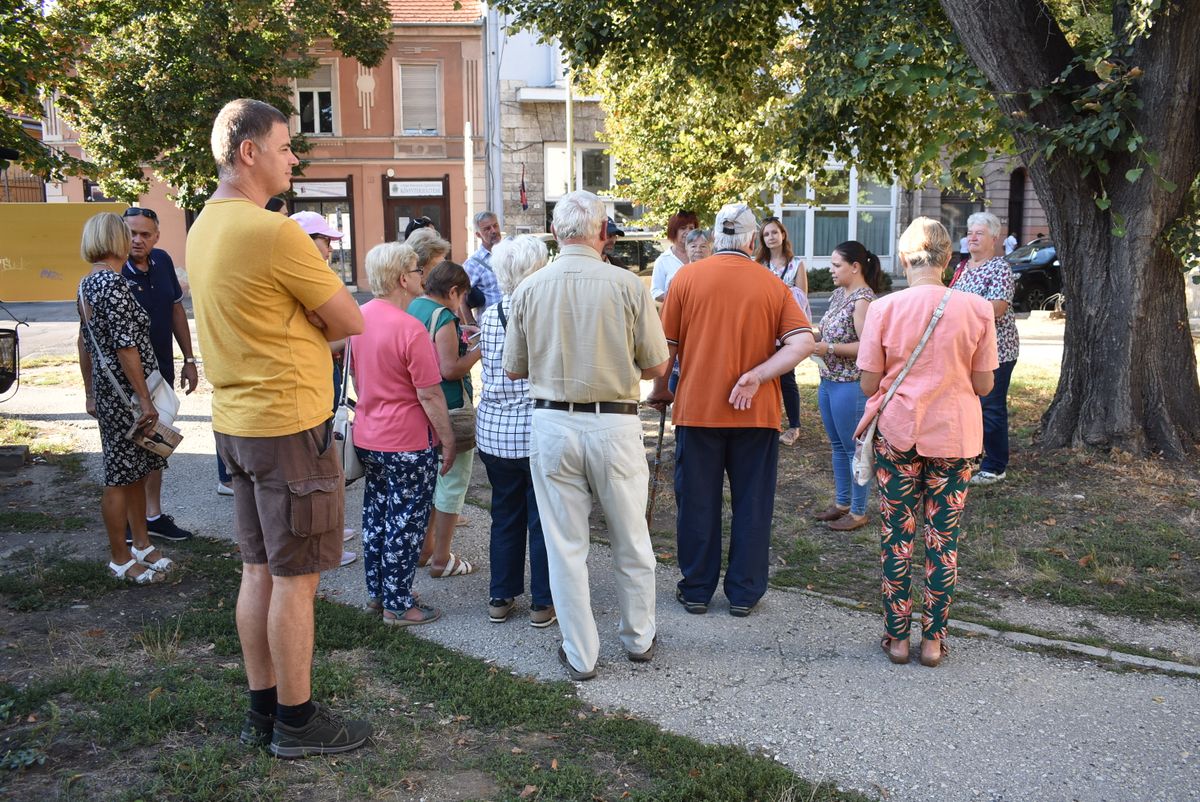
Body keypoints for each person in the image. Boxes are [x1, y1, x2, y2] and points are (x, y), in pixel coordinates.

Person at [186, 98, 369, 758]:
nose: (295, 157)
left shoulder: (204, 225)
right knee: (296, 578)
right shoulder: (275, 231)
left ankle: (263, 710)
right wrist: (312, 325)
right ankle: (298, 721)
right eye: (287, 145)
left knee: (258, 568)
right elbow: (350, 320)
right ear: (248, 152)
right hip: (289, 425)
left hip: (237, 423)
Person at [504, 190, 670, 681]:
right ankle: (638, 638)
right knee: (631, 538)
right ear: (603, 233)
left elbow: (514, 368)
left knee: (564, 545)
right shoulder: (628, 285)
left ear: (556, 233)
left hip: (552, 423)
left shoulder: (530, 288)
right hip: (614, 421)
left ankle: (581, 653)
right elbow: (657, 363)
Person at [648, 203, 814, 618]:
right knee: (753, 504)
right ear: (752, 240)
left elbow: (665, 349)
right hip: (755, 414)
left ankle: (698, 589)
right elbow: (802, 343)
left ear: (715, 239)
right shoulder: (772, 284)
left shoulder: (686, 279)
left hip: (697, 409)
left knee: (697, 503)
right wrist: (759, 375)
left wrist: (660, 389)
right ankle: (743, 592)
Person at [856, 216, 997, 668]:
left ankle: (897, 638)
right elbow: (985, 385)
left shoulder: (883, 309)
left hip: (899, 433)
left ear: (903, 258)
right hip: (955, 437)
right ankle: (933, 641)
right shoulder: (976, 308)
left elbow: (868, 383)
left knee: (897, 536)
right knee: (944, 540)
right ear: (948, 257)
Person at [350, 242, 456, 626]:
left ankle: (379, 593)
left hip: (368, 435)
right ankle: (398, 604)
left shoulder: (359, 318)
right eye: (416, 270)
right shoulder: (410, 328)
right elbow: (429, 394)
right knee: (406, 522)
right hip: (407, 440)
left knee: (377, 516)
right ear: (401, 279)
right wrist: (447, 439)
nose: (421, 276)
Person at [76, 212, 174, 585]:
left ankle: (142, 546)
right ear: (116, 239)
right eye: (127, 234)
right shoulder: (112, 285)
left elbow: (84, 342)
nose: (134, 240)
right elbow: (125, 346)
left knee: (136, 470)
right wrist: (145, 398)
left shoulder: (87, 284)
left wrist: (89, 391)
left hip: (110, 392)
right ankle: (120, 557)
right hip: (127, 398)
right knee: (120, 476)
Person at [477, 235, 555, 627]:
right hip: (534, 428)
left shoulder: (490, 315)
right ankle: (543, 601)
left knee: (504, 514)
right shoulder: (546, 312)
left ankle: (500, 596)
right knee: (542, 518)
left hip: (494, 430)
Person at [119, 206, 196, 542]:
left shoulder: (162, 261)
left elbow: (176, 308)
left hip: (160, 371)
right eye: (131, 233)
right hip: (125, 380)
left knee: (155, 445)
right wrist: (90, 389)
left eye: (145, 234)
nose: (137, 240)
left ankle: (153, 516)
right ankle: (128, 523)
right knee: (128, 450)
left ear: (156, 236)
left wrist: (190, 359)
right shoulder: (111, 271)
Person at [290, 211, 358, 568]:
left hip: (325, 373)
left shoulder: (317, 273)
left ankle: (331, 530)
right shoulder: (302, 276)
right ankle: (322, 541)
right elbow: (339, 327)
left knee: (327, 455)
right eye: (325, 241)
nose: (331, 249)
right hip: (310, 381)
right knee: (317, 462)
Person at [409, 261, 482, 578]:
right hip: (451, 407)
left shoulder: (416, 306)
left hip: (421, 407)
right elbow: (449, 369)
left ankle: (424, 551)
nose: (461, 302)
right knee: (452, 483)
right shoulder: (445, 317)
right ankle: (442, 557)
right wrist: (480, 349)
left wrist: (460, 336)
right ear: (453, 291)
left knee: (430, 481)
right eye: (461, 295)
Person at [810, 241, 883, 532]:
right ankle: (842, 503)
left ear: (855, 267)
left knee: (856, 449)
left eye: (836, 265)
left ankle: (858, 510)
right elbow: (828, 332)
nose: (831, 270)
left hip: (850, 384)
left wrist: (828, 347)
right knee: (838, 446)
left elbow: (867, 346)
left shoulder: (863, 300)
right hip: (829, 380)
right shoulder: (840, 294)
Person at [952, 211, 1019, 486]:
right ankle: (973, 456)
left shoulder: (999, 268)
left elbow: (998, 308)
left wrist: (963, 307)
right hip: (965, 350)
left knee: (991, 407)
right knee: (968, 407)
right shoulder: (961, 268)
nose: (973, 237)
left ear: (995, 238)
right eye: (970, 233)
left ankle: (995, 464)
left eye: (979, 233)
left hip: (997, 350)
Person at [755, 216, 809, 446]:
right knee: (763, 374)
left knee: (787, 377)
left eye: (774, 232)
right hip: (763, 326)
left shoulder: (796, 264)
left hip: (785, 329)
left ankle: (794, 426)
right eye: (766, 234)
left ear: (783, 234)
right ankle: (766, 421)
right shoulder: (757, 265)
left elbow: (802, 299)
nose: (771, 237)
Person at [461, 211, 503, 323]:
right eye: (487, 229)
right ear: (478, 235)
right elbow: (461, 298)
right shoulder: (472, 264)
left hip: (515, 324)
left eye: (495, 225)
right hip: (491, 326)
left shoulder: (511, 252)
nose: (493, 231)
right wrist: (471, 324)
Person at [649, 210, 699, 302]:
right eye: (683, 228)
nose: (688, 232)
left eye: (691, 228)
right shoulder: (663, 261)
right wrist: (675, 298)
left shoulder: (703, 257)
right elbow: (655, 292)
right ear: (673, 231)